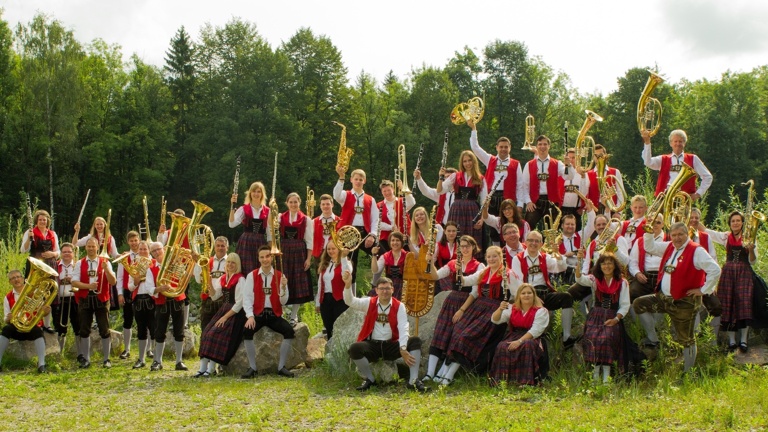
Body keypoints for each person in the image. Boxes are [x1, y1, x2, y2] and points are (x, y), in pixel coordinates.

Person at [632, 222, 721, 374]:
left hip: (684, 302)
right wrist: (648, 232)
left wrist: (704, 290)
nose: (677, 238)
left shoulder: (696, 250)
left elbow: (715, 270)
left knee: (687, 340)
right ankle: (654, 338)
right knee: (639, 304)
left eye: (680, 234)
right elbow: (650, 247)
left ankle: (688, 372)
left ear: (687, 234)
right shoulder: (669, 246)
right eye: (674, 235)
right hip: (664, 298)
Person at [439, 246, 511, 385]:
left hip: (493, 312)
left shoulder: (507, 274)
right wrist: (459, 271)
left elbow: (517, 291)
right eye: (489, 257)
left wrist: (508, 310)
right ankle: (443, 373)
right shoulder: (484, 272)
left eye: (494, 256)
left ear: (500, 257)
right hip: (478, 308)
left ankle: (449, 375)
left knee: (465, 337)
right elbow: (466, 281)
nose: (491, 259)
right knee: (457, 332)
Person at [345, 275, 427, 393]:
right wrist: (347, 285)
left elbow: (403, 327)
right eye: (382, 288)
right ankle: (370, 379)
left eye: (388, 288)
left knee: (415, 341)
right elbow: (350, 301)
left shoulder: (399, 306)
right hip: (373, 345)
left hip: (391, 345)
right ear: (376, 290)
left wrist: (403, 348)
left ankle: (413, 380)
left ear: (392, 290)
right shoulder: (369, 302)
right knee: (354, 349)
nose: (385, 291)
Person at [423, 236, 485, 382]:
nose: (465, 249)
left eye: (468, 246)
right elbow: (434, 276)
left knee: (455, 337)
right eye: (462, 246)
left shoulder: (479, 266)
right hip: (451, 301)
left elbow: (475, 292)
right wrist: (430, 261)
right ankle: (430, 373)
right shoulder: (452, 263)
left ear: (473, 248)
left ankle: (442, 373)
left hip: (468, 304)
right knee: (441, 333)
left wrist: (462, 310)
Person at [510, 231, 576, 348]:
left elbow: (560, 268)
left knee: (567, 297)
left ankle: (566, 337)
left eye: (537, 241)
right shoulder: (517, 259)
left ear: (541, 244)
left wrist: (558, 255)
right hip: (528, 294)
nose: (534, 243)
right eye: (531, 240)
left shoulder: (545, 257)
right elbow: (519, 282)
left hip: (545, 294)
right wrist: (533, 297)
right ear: (526, 242)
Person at [702, 211, 756, 352]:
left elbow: (753, 261)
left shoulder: (749, 237)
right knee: (728, 304)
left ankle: (743, 340)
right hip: (728, 273)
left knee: (744, 304)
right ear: (730, 223)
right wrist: (694, 221)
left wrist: (751, 250)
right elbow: (707, 231)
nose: (736, 223)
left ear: (743, 223)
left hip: (744, 272)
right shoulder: (726, 237)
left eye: (738, 220)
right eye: (733, 221)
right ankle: (732, 341)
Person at [240, 246, 295, 378]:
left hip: (273, 314)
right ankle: (252, 367)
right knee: (247, 331)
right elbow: (246, 298)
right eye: (262, 257)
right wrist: (250, 316)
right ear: (258, 259)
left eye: (268, 256)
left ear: (272, 258)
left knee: (289, 331)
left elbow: (283, 301)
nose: (265, 259)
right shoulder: (251, 276)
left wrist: (283, 288)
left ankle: (281, 367)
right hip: (258, 314)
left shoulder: (280, 276)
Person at [575, 253, 630, 383]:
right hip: (595, 316)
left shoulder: (622, 282)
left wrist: (616, 319)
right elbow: (579, 279)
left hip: (613, 316)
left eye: (610, 263)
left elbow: (625, 305)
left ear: (615, 265)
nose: (606, 266)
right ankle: (595, 374)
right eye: (603, 263)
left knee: (606, 339)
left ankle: (606, 375)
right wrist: (579, 262)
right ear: (599, 266)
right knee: (593, 338)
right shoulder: (594, 280)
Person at [468, 118, 524, 245]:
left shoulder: (516, 164)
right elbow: (475, 148)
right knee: (493, 229)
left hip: (508, 199)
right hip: (492, 198)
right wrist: (473, 129)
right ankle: (496, 253)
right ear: (497, 147)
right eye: (501, 147)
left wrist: (520, 204)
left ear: (510, 148)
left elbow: (520, 185)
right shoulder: (490, 160)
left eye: (506, 147)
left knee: (508, 228)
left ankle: (509, 253)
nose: (503, 149)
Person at [196, 253, 246, 377]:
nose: (230, 265)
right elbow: (214, 296)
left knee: (215, 334)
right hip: (224, 308)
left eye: (233, 263)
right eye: (228, 262)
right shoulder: (223, 278)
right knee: (207, 332)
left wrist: (225, 317)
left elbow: (240, 303)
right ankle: (202, 368)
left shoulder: (240, 279)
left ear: (237, 265)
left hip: (235, 313)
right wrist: (209, 282)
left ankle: (211, 368)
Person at [489, 283, 549, 386]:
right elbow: (495, 320)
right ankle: (503, 381)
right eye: (523, 293)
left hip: (533, 338)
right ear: (519, 296)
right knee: (502, 346)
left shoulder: (541, 311)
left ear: (534, 295)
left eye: (529, 293)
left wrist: (520, 341)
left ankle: (526, 381)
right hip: (514, 335)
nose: (526, 295)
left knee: (527, 346)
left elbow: (535, 331)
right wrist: (500, 309)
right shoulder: (513, 308)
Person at [71, 237, 117, 368]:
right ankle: (86, 358)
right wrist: (88, 286)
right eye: (89, 246)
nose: (91, 249)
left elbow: (113, 282)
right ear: (85, 247)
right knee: (84, 329)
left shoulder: (105, 261)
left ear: (98, 247)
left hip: (101, 298)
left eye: (93, 246)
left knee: (104, 328)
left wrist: (107, 270)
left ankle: (106, 359)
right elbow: (74, 282)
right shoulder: (80, 263)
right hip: (85, 297)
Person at [333, 167, 379, 290]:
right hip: (349, 233)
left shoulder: (370, 199)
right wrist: (341, 178)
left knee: (380, 255)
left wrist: (372, 235)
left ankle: (376, 286)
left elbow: (375, 219)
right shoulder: (345, 195)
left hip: (365, 233)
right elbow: (336, 195)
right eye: (356, 179)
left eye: (360, 179)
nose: (358, 181)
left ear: (364, 181)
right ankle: (350, 296)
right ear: (351, 180)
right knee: (351, 263)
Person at [146, 241, 187, 372]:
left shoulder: (175, 264)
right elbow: (149, 288)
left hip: (177, 299)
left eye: (158, 249)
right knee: (159, 331)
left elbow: (184, 278)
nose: (157, 252)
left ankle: (179, 361)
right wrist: (160, 288)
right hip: (161, 302)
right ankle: (158, 361)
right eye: (153, 251)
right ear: (151, 254)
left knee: (179, 331)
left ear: (164, 249)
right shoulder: (150, 269)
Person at [437, 151, 487, 260]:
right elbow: (440, 190)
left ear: (474, 162)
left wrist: (482, 219)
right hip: (457, 210)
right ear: (462, 163)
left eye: (469, 160)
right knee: (456, 236)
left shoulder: (480, 178)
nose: (467, 163)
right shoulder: (455, 176)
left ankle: (472, 265)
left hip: (472, 211)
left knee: (471, 238)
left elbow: (485, 201)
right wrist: (441, 177)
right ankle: (453, 261)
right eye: (465, 161)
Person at [0, 270, 50, 373]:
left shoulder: (35, 293)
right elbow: (6, 318)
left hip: (32, 326)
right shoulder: (8, 297)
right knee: (6, 329)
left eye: (18, 277)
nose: (16, 279)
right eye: (13, 278)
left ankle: (41, 364)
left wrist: (46, 312)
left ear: (23, 279)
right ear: (10, 282)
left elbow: (43, 312)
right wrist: (7, 319)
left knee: (38, 332)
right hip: (17, 327)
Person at [641, 129, 713, 200]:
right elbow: (648, 162)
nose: (678, 144)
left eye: (680, 141)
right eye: (675, 141)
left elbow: (708, 177)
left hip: (684, 201)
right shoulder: (663, 159)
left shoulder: (693, 158)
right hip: (664, 199)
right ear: (670, 143)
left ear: (684, 143)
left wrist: (698, 194)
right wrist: (647, 143)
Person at [521, 134, 574, 229]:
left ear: (549, 146)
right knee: (527, 226)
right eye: (540, 144)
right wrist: (528, 201)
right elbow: (524, 186)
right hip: (535, 202)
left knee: (552, 231)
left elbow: (569, 177)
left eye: (545, 144)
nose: (542, 147)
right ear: (536, 146)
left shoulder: (557, 163)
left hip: (552, 202)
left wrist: (568, 165)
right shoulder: (529, 164)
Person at [278, 192, 314, 326]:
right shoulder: (280, 217)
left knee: (298, 285)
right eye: (291, 202)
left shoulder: (306, 220)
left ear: (299, 203)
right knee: (282, 281)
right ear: (287, 203)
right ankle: (280, 312)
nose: (293, 204)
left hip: (299, 252)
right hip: (284, 252)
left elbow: (310, 241)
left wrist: (308, 259)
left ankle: (293, 316)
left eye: (295, 202)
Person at [21, 209, 60, 333]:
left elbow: (58, 252)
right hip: (35, 266)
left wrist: (52, 253)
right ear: (36, 221)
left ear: (48, 221)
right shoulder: (30, 232)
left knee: (48, 295)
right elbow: (23, 250)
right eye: (40, 220)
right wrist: (29, 238)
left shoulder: (52, 234)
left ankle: (47, 325)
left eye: (45, 219)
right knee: (35, 295)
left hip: (50, 266)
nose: (43, 221)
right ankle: (32, 322)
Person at [229, 181, 271, 276]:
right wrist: (232, 206)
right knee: (244, 269)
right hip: (246, 243)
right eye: (254, 191)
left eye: (258, 191)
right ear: (250, 193)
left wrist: (270, 250)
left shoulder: (268, 211)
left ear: (262, 194)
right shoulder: (243, 209)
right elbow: (231, 224)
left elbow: (269, 233)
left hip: (260, 243)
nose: (256, 194)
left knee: (259, 270)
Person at [126, 241, 157, 369]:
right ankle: (141, 358)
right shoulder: (134, 265)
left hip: (152, 299)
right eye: (141, 249)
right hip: (139, 299)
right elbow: (130, 287)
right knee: (141, 330)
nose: (143, 251)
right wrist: (136, 281)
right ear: (137, 251)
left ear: (149, 251)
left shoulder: (155, 264)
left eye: (145, 249)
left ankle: (156, 358)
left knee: (155, 329)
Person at [314, 241, 351, 340]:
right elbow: (320, 284)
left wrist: (343, 258)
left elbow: (346, 274)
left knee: (340, 328)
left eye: (333, 248)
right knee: (328, 327)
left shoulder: (346, 262)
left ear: (339, 249)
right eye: (329, 249)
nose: (331, 251)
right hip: (325, 300)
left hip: (340, 300)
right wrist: (318, 302)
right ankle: (330, 352)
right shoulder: (325, 264)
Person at [115, 230, 141, 360]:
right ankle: (127, 349)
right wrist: (119, 294)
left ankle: (148, 349)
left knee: (145, 320)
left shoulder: (145, 256)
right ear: (128, 242)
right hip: (127, 291)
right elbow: (119, 277)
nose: (134, 243)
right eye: (131, 241)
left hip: (142, 291)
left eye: (136, 240)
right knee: (128, 320)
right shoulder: (124, 257)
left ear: (139, 241)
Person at [193, 236, 229, 332]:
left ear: (227, 248)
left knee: (222, 331)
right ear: (215, 247)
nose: (220, 248)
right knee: (205, 329)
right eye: (218, 246)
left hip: (224, 300)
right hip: (208, 300)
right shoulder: (208, 261)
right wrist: (197, 263)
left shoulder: (231, 262)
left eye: (223, 246)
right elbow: (198, 280)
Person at [628, 215, 666, 302]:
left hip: (663, 278)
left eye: (658, 222)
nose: (654, 225)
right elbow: (633, 262)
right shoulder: (640, 241)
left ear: (663, 224)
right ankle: (637, 315)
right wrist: (637, 274)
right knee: (632, 291)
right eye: (651, 222)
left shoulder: (669, 239)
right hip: (645, 278)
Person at [52, 242, 79, 353]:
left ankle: (80, 353)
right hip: (60, 300)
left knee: (78, 326)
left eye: (69, 252)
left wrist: (71, 280)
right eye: (64, 252)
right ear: (61, 253)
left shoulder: (78, 265)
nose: (67, 254)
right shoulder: (55, 265)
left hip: (75, 299)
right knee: (60, 328)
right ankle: (60, 353)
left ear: (73, 253)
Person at [586, 144, 626, 216]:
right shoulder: (588, 174)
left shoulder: (615, 172)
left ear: (605, 155)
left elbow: (620, 193)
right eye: (596, 155)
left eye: (601, 154)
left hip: (612, 210)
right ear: (593, 157)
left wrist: (618, 212)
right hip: (595, 210)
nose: (599, 157)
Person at [377, 179, 415, 253]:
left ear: (393, 189)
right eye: (384, 191)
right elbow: (377, 223)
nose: (387, 193)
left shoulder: (402, 201)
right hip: (386, 239)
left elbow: (412, 202)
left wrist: (402, 188)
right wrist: (390, 227)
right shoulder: (378, 205)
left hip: (404, 237)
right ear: (382, 192)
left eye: (389, 190)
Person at [371, 232, 407, 300]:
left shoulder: (408, 256)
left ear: (402, 242)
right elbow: (375, 271)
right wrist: (374, 255)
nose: (395, 242)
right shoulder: (385, 256)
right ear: (390, 243)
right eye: (393, 240)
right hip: (389, 285)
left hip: (404, 286)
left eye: (397, 240)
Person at [561, 148, 590, 227]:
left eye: (573, 158)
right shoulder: (561, 171)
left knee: (577, 234)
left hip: (576, 210)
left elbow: (584, 193)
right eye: (569, 158)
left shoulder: (584, 173)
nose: (571, 160)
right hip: (561, 209)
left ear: (578, 159)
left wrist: (583, 177)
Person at [310, 194, 340, 264]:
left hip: (335, 254)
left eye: (327, 204)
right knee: (319, 275)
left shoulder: (340, 221)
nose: (325, 206)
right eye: (323, 204)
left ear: (332, 205)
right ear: (320, 206)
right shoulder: (313, 222)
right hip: (318, 255)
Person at [435, 221, 459, 291]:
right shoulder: (438, 245)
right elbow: (433, 261)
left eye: (454, 231)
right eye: (449, 231)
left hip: (457, 276)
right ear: (445, 231)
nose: (451, 233)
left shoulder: (461, 245)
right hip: (442, 276)